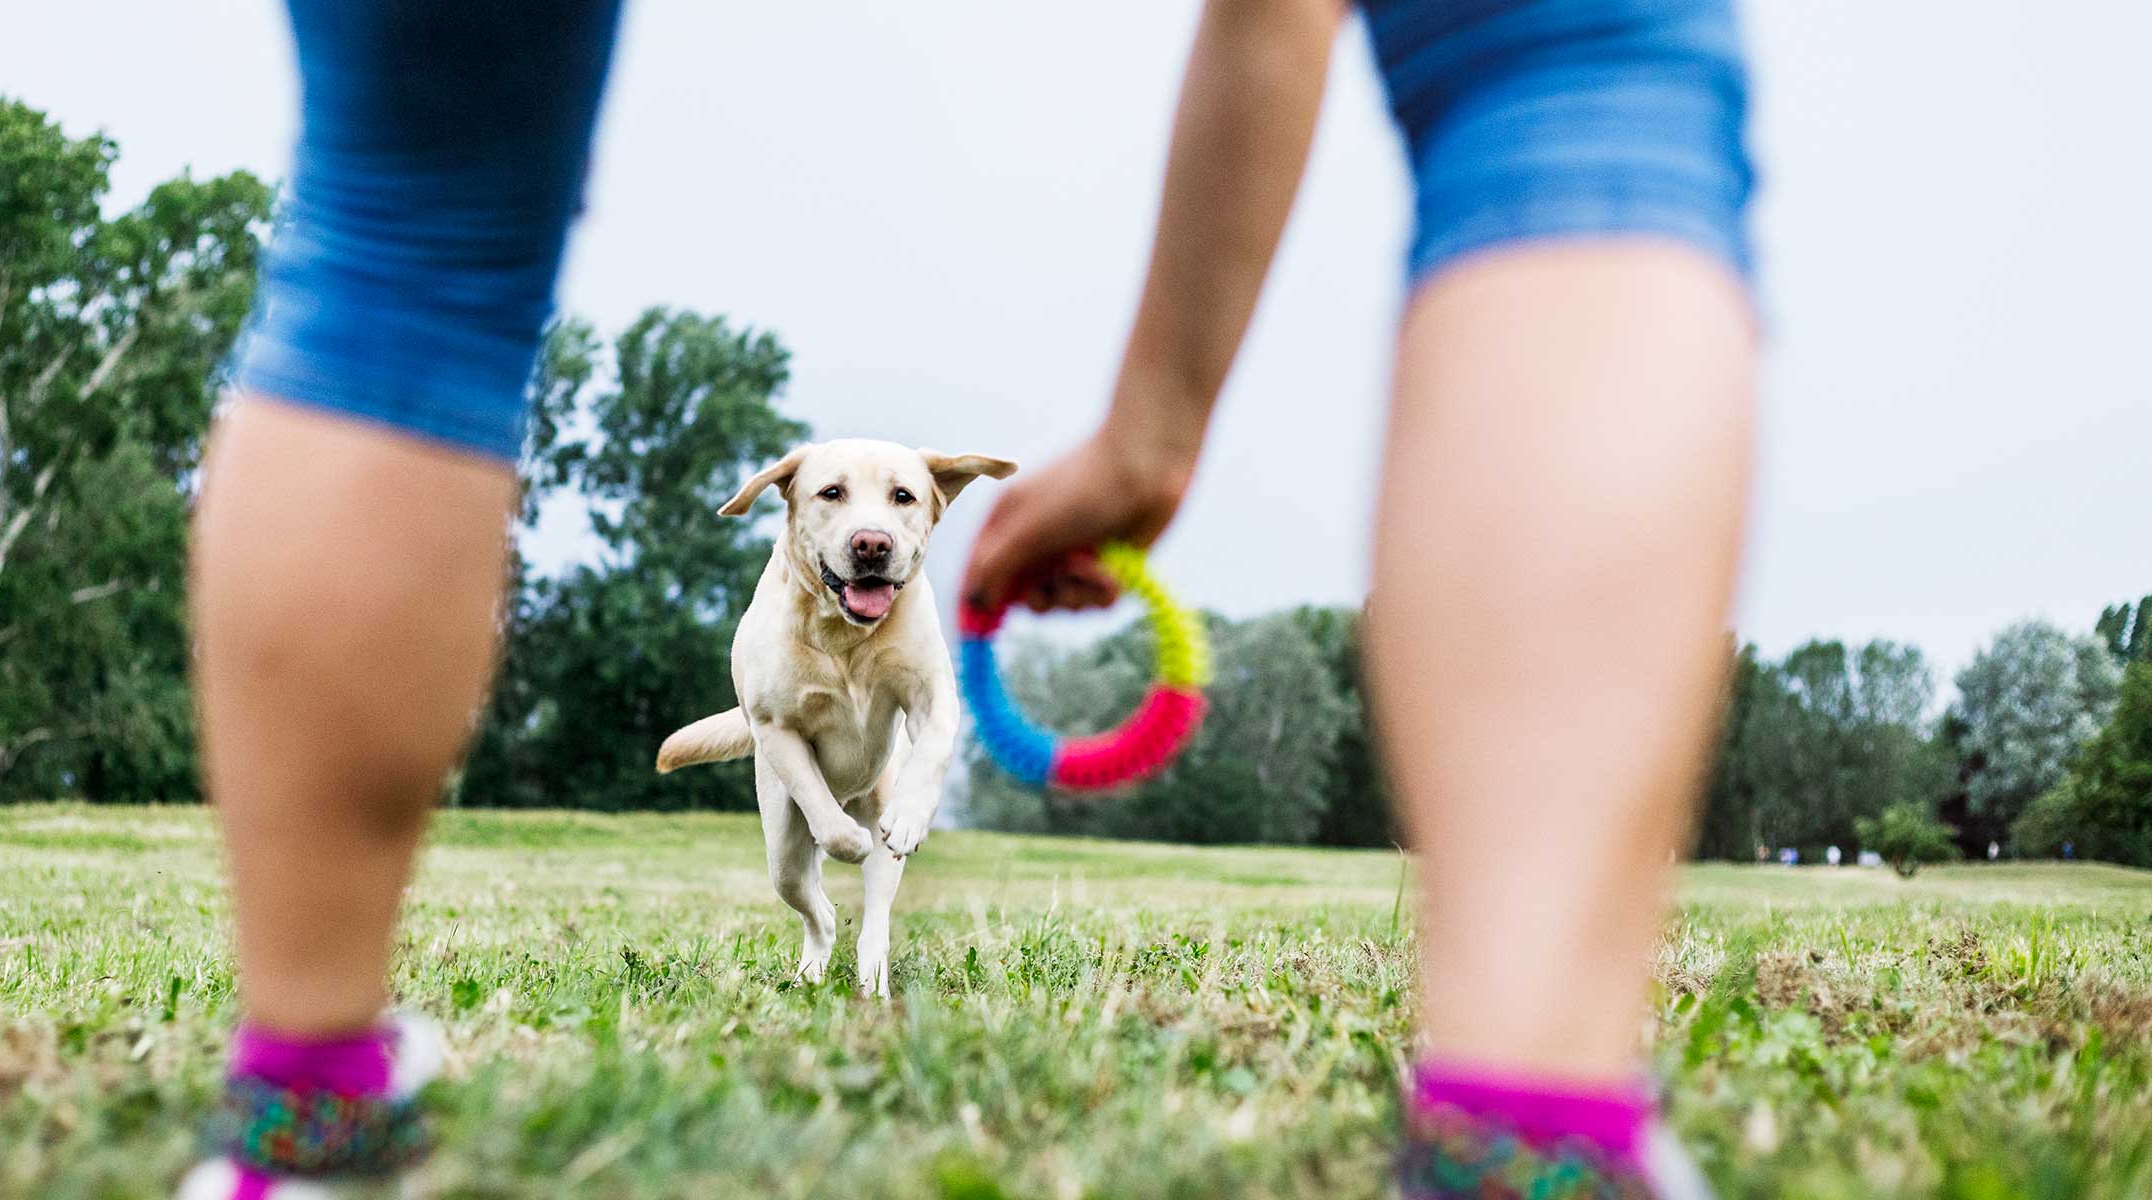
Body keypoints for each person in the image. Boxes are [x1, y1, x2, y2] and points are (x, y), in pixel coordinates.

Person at [176, 0, 1756, 1197]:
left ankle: (301, 1112)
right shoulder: (794, 567)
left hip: (886, 734)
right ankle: (1533, 1138)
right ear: (790, 510)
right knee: (1563, 63)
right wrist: (1155, 424)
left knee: (412, 210)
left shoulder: (903, 569)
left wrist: (1143, 430)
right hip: (806, 745)